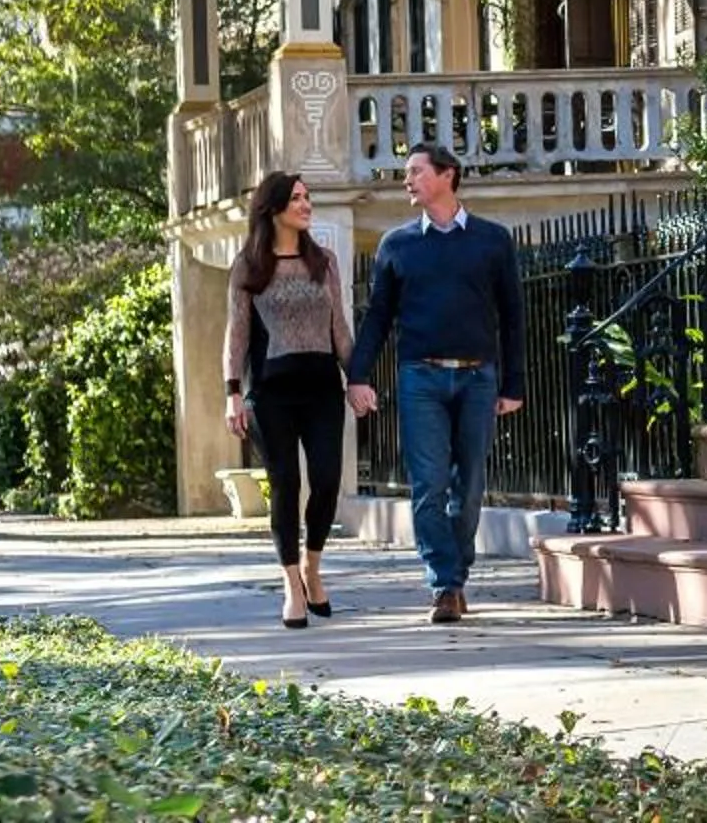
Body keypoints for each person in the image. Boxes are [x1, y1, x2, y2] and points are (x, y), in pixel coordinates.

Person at [345, 142, 525, 624]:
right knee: (428, 486)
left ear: (448, 175)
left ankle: (456, 575)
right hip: (419, 377)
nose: (407, 180)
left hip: (478, 377)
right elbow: (377, 317)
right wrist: (357, 375)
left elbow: (512, 318)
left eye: (416, 171)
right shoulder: (396, 245)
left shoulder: (492, 240)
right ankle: (445, 585)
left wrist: (514, 385)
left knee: (469, 486)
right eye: (406, 173)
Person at [222, 171, 350, 629]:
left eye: (307, 197)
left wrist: (356, 378)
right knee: (286, 484)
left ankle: (314, 567)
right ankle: (292, 584)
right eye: (296, 198)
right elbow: (236, 335)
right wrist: (233, 393)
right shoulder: (250, 266)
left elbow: (340, 329)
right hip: (270, 393)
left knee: (327, 479)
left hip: (321, 389)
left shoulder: (325, 262)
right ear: (273, 208)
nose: (305, 204)